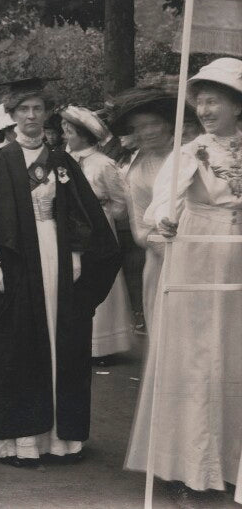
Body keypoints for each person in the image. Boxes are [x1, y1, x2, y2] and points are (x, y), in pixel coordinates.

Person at [0, 77, 121, 466]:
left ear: (47, 113)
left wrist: (77, 253)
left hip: (56, 256)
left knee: (59, 337)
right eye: (23, 109)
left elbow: (83, 214)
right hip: (16, 264)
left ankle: (59, 439)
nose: (31, 116)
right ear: (12, 115)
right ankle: (18, 439)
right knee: (17, 343)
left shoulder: (62, 162)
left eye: (38, 108)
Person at [126, 58, 242, 502]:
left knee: (232, 355)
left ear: (237, 105)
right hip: (198, 257)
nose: (206, 110)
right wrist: (166, 221)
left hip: (237, 258)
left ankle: (230, 464)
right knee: (198, 358)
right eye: (202, 102)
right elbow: (160, 206)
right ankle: (189, 467)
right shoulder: (190, 152)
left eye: (216, 101)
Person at [109, 86, 190, 332]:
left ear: (168, 124)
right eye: (141, 127)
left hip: (200, 251)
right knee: (169, 328)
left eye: (154, 123)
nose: (148, 131)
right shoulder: (138, 172)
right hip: (163, 259)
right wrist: (171, 251)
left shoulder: (190, 156)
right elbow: (141, 230)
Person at [61, 106, 132, 362]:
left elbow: (121, 201)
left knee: (99, 275)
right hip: (71, 228)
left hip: (98, 226)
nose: (64, 136)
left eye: (69, 132)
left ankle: (104, 344)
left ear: (84, 135)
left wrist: (103, 215)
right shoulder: (63, 161)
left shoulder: (103, 164)